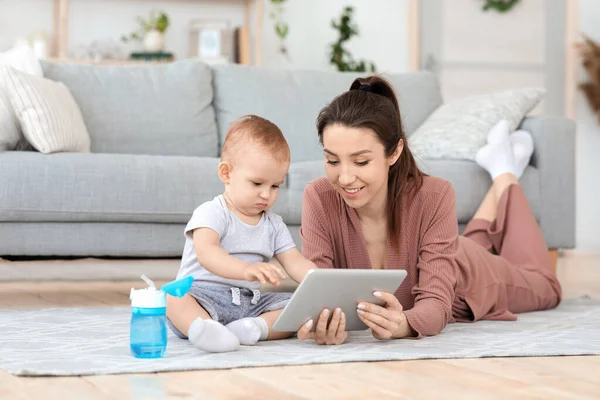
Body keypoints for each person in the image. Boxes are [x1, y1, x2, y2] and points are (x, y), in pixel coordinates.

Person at [296, 77, 562, 345]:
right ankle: (502, 172)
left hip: (469, 278)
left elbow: (436, 304)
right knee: (461, 244)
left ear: (395, 152)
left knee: (546, 288)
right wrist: (324, 323)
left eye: (361, 161)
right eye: (332, 160)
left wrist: (404, 324)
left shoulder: (434, 195)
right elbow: (319, 293)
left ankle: (505, 173)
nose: (344, 178)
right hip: (445, 252)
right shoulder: (319, 196)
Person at [166, 115, 316, 353]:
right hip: (204, 297)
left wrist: (320, 281)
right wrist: (245, 270)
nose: (267, 194)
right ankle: (204, 329)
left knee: (303, 306)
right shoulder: (212, 212)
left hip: (251, 302)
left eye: (275, 185)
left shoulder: (274, 224)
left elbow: (295, 261)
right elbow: (207, 253)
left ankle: (253, 328)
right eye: (257, 184)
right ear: (226, 174)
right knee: (174, 298)